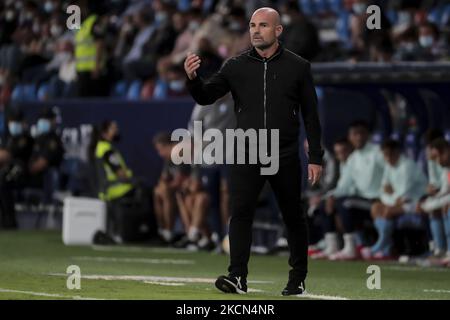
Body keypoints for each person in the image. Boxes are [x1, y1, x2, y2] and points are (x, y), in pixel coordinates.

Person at [184, 7, 323, 296]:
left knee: (292, 215)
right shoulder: (235, 66)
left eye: (263, 25)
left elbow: (311, 115)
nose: (256, 30)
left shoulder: (298, 66)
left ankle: (297, 278)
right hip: (245, 152)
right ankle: (237, 277)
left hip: (283, 153)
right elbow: (205, 96)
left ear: (278, 30)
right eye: (252, 25)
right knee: (240, 213)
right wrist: (193, 78)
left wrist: (316, 158)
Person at [327, 121, 385, 261]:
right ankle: (332, 245)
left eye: (361, 133)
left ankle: (351, 248)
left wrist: (385, 197)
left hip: (376, 200)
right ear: (350, 137)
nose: (358, 137)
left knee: (345, 203)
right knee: (327, 203)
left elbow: (389, 173)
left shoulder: (377, 152)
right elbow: (345, 185)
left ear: (367, 135)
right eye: (355, 134)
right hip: (361, 200)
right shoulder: (353, 158)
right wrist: (331, 196)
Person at [362, 139, 427, 260]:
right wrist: (392, 197)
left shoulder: (407, 165)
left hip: (416, 202)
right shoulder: (388, 166)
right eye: (385, 155)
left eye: (389, 154)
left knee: (388, 211)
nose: (387, 158)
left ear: (397, 152)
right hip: (400, 202)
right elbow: (383, 190)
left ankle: (380, 247)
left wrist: (392, 195)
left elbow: (404, 193)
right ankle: (386, 248)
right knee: (375, 208)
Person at [152, 132, 191, 244]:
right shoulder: (169, 159)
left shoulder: (181, 153)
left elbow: (181, 180)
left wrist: (166, 187)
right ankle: (163, 230)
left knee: (166, 191)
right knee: (158, 192)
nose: (160, 154)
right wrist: (162, 185)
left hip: (187, 189)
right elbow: (164, 178)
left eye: (161, 150)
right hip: (176, 190)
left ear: (169, 145)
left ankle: (169, 231)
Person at [0, 109, 34, 229]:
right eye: (12, 121)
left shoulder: (26, 139)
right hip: (8, 172)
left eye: (16, 121)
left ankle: (10, 222)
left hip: (23, 175)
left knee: (3, 183)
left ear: (23, 123)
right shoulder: (8, 138)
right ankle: (4, 220)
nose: (13, 124)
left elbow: (6, 155)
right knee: (2, 181)